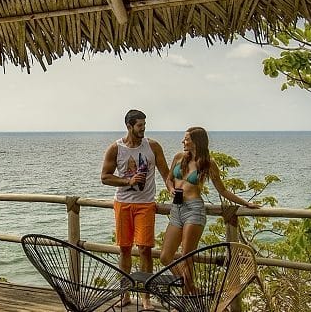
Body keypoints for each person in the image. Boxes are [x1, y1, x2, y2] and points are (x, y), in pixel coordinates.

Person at [159, 127, 260, 285]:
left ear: (196, 142)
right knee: (165, 256)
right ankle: (190, 288)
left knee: (187, 257)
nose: (183, 142)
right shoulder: (179, 157)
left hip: (194, 210)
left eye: (186, 139)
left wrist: (246, 203)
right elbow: (169, 179)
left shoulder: (208, 163)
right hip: (176, 209)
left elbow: (223, 190)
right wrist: (171, 189)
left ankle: (187, 300)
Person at [100, 109, 170, 309]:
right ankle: (126, 294)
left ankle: (146, 297)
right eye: (140, 125)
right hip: (122, 203)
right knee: (124, 249)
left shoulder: (153, 146)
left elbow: (165, 173)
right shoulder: (116, 148)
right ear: (129, 126)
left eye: (144, 125)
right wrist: (127, 180)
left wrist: (173, 189)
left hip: (146, 204)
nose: (143, 129)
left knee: (145, 249)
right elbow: (105, 177)